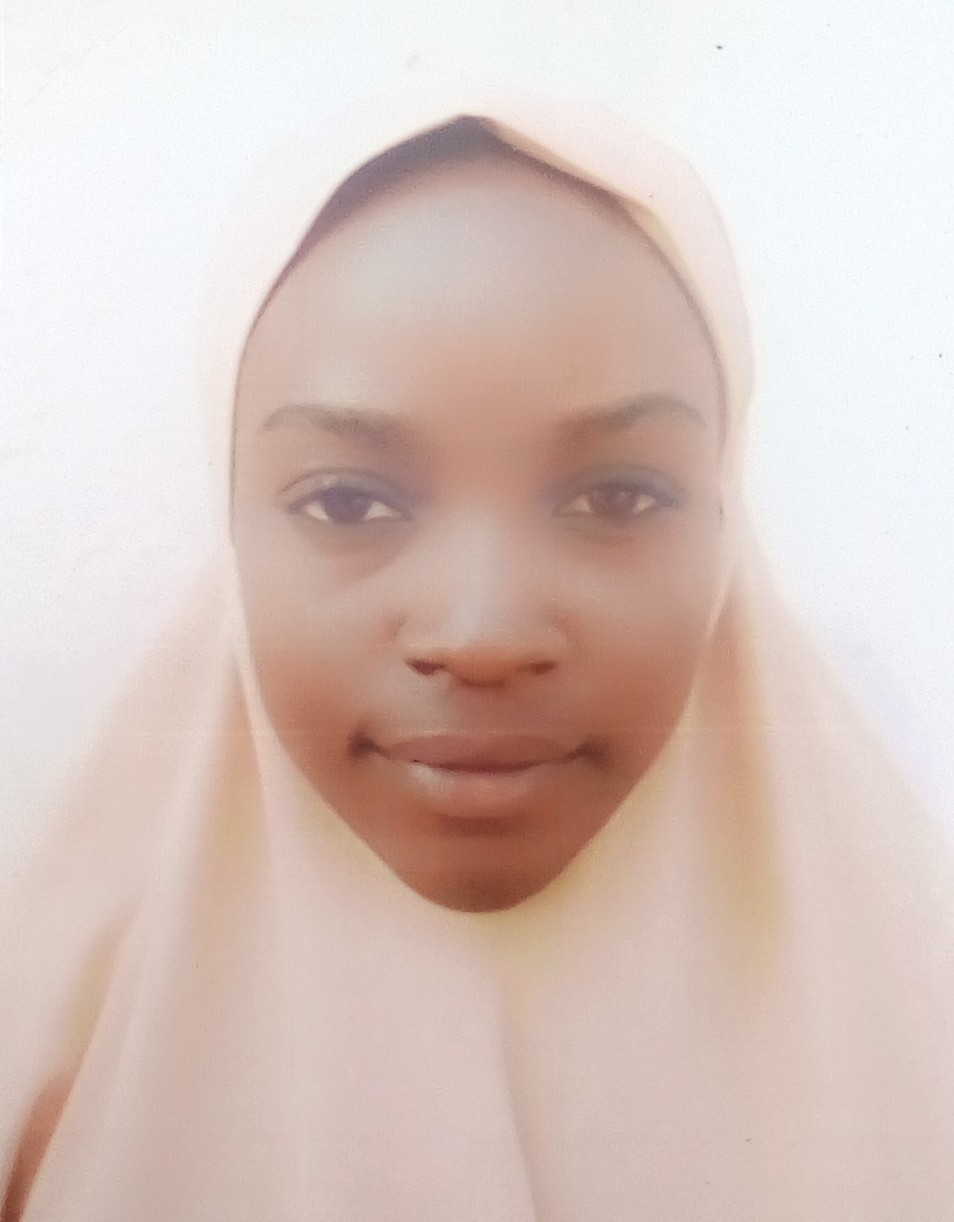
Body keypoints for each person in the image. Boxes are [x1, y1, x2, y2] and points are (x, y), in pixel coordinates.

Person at [2, 83, 952, 1221]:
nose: (482, 634)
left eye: (617, 495)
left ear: (724, 517)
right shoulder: (43, 1036)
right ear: (233, 517)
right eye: (347, 502)